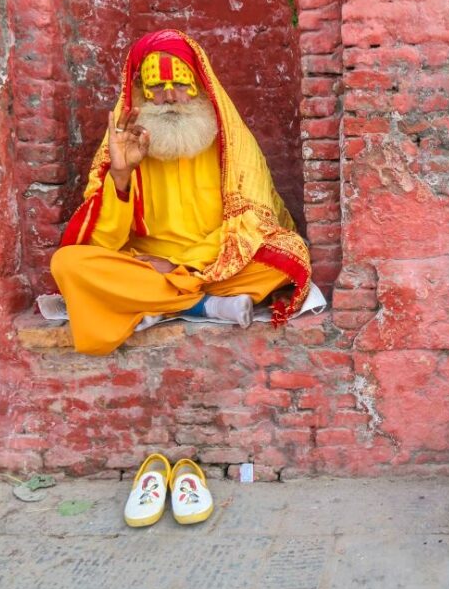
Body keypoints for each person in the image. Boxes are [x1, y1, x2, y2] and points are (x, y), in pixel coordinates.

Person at [52, 29, 312, 355]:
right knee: (67, 264)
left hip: (218, 263)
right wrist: (120, 176)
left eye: (179, 84)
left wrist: (178, 264)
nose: (171, 96)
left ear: (200, 87)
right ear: (141, 94)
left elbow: (253, 224)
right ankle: (202, 306)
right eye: (157, 88)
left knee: (288, 255)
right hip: (144, 265)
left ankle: (152, 300)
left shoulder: (230, 142)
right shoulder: (126, 144)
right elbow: (103, 243)